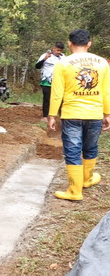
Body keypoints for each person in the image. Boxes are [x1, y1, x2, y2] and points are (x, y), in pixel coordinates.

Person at [48, 29, 110, 202]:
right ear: (89, 43)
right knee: (90, 147)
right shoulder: (102, 63)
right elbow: (106, 91)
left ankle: (75, 191)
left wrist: (52, 115)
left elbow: (56, 93)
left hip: (72, 114)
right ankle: (87, 180)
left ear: (69, 43)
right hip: (95, 113)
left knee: (73, 151)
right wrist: (107, 113)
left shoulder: (63, 63)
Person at [36, 42, 65, 122]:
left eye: (60, 51)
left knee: (61, 99)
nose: (59, 52)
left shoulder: (63, 57)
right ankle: (45, 116)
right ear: (53, 48)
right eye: (58, 50)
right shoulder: (45, 55)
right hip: (47, 81)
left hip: (60, 81)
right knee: (47, 98)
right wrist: (45, 58)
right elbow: (37, 66)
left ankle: (61, 116)